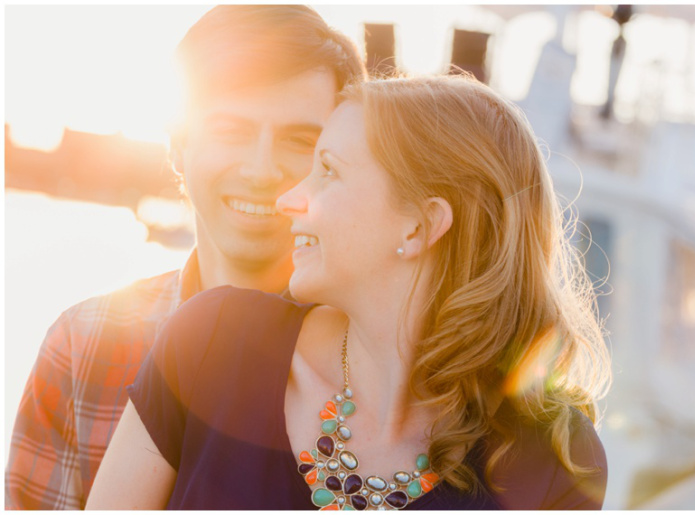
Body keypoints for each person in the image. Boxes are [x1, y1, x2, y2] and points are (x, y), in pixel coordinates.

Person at [86, 74, 611, 510]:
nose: (291, 198)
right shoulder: (211, 341)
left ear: (419, 227)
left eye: (328, 172)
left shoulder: (555, 458)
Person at [5, 5, 365, 510]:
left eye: (299, 141)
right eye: (231, 131)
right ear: (177, 146)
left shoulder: (380, 358)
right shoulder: (83, 345)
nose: (261, 171)